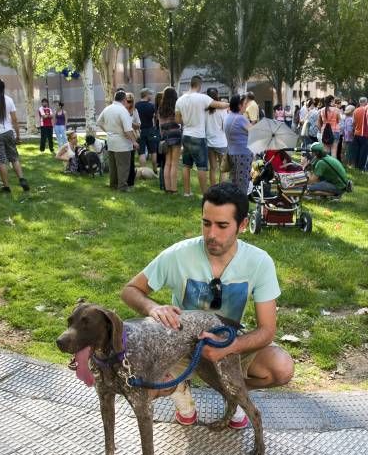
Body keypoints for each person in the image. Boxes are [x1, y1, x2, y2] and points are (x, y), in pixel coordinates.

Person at [120, 182, 294, 427]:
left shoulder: (260, 262)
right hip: (180, 342)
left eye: (222, 225)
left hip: (228, 340)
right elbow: (130, 290)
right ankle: (178, 390)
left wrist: (231, 347)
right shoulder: (178, 255)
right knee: (139, 386)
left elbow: (267, 330)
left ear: (242, 225)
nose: (211, 234)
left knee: (281, 368)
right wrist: (152, 308)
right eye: (206, 223)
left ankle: (233, 393)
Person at [175, 75, 229, 197]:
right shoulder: (202, 98)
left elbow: (178, 120)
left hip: (186, 135)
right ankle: (205, 194)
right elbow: (219, 105)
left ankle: (187, 192)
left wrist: (188, 119)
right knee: (202, 167)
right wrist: (230, 104)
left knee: (186, 165)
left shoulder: (180, 100)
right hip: (198, 136)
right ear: (199, 85)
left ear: (190, 84)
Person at [0, 77, 29, 193]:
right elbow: (14, 120)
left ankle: (6, 186)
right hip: (9, 132)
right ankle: (22, 179)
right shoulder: (9, 99)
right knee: (14, 158)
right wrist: (18, 136)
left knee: (1, 161)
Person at [96, 90, 137, 192]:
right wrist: (134, 142)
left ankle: (113, 184)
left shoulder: (107, 109)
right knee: (123, 165)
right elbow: (128, 129)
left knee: (113, 165)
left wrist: (108, 131)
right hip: (122, 141)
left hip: (110, 139)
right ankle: (122, 186)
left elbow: (99, 122)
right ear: (124, 99)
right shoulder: (123, 110)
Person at [224, 94, 253, 194]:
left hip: (232, 153)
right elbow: (254, 133)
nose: (246, 106)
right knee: (242, 185)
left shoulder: (228, 117)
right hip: (243, 154)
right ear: (239, 106)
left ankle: (234, 206)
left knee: (234, 183)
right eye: (245, 104)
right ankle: (241, 208)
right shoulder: (240, 119)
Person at [157, 87, 181, 194]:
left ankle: (167, 189)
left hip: (165, 136)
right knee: (174, 163)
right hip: (175, 134)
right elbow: (179, 121)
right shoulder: (176, 107)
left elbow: (160, 124)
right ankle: (174, 189)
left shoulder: (160, 108)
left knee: (168, 163)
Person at [205, 87, 228, 187]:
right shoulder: (222, 110)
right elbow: (225, 127)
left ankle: (213, 189)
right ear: (217, 95)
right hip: (221, 142)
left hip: (209, 142)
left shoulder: (204, 110)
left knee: (213, 168)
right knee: (223, 169)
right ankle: (222, 190)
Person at [135, 89, 159, 175]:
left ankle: (143, 172)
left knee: (141, 152)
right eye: (151, 95)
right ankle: (155, 170)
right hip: (150, 130)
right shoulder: (151, 106)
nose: (151, 97)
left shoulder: (136, 105)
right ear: (146, 95)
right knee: (153, 151)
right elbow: (156, 117)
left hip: (139, 130)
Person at [352, 97, 368, 170]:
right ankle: (361, 167)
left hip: (356, 133)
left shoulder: (355, 110)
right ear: (365, 102)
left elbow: (353, 123)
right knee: (363, 151)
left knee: (357, 151)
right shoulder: (365, 110)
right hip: (363, 133)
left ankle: (356, 166)